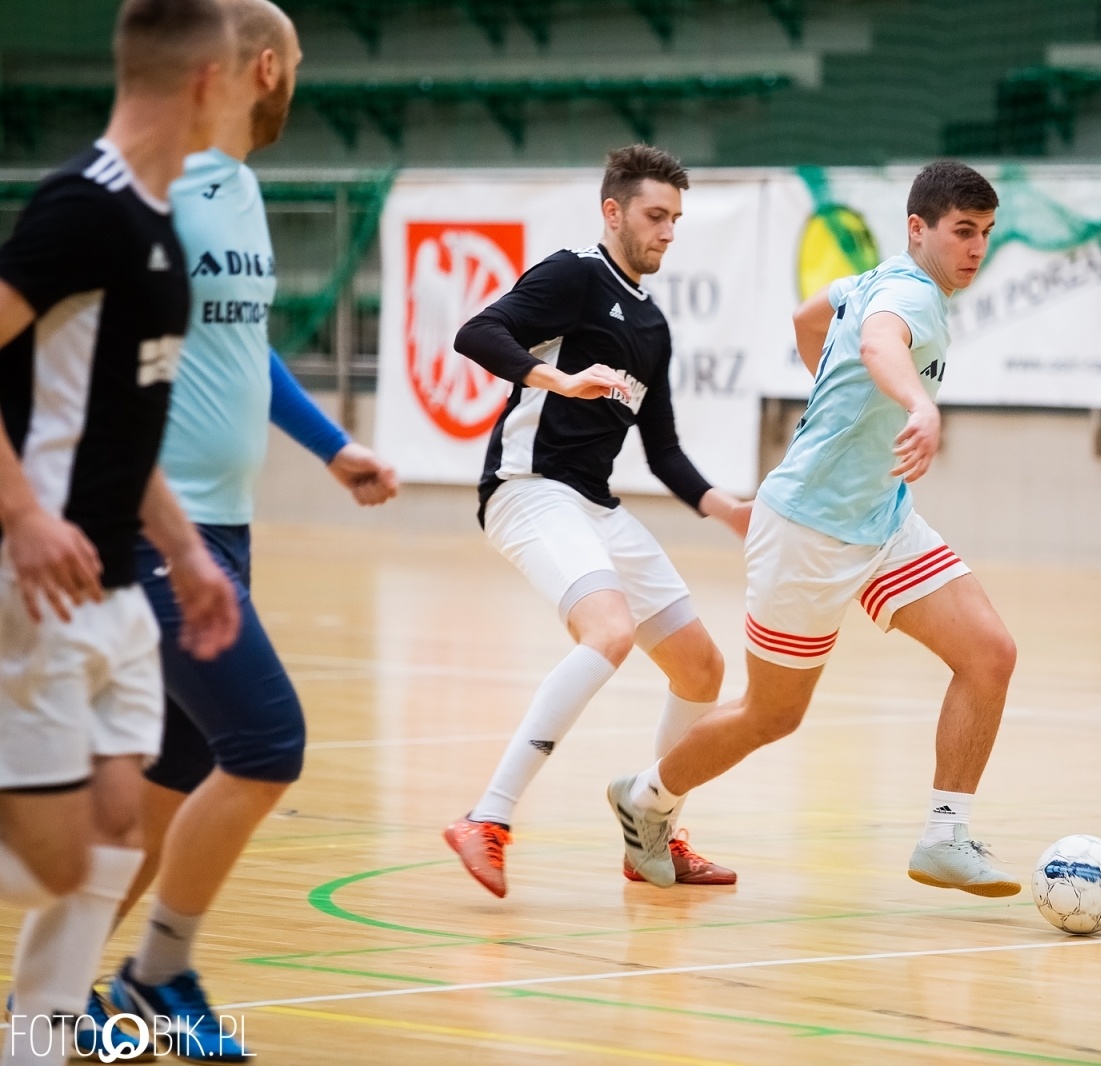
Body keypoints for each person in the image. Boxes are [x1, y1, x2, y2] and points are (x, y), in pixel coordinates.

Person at [72, 2, 399, 1058]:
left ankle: (57, 1004)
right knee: (266, 742)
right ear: (264, 69)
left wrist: (328, 444)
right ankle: (155, 973)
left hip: (228, 527)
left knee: (172, 781)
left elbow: (238, 345)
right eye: (295, 62)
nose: (297, 78)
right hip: (150, 536)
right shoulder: (143, 194)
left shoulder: (243, 191)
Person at [607, 160, 1023, 897]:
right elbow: (879, 346)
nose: (976, 249)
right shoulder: (910, 296)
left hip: (881, 516)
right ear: (917, 228)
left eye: (986, 234)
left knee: (989, 654)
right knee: (773, 714)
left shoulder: (871, 280)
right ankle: (646, 800)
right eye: (963, 232)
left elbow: (809, 317)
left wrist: (842, 404)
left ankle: (945, 836)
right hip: (808, 531)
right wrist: (916, 407)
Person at [0, 3, 241, 1063]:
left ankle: (34, 1048)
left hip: (120, 590)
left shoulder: (157, 231)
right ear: (202, 82)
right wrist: (21, 512)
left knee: (111, 844)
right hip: (42, 586)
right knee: (58, 860)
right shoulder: (79, 209)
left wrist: (186, 552)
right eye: (241, 75)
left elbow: (120, 433)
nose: (249, 94)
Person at [443, 144, 750, 898]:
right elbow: (478, 333)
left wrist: (728, 510)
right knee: (608, 633)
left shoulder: (653, 326)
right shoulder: (575, 273)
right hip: (527, 488)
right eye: (655, 215)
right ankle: (489, 816)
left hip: (594, 504)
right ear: (613, 212)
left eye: (676, 219)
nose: (667, 232)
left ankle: (654, 824)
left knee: (702, 668)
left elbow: (666, 450)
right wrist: (558, 379)